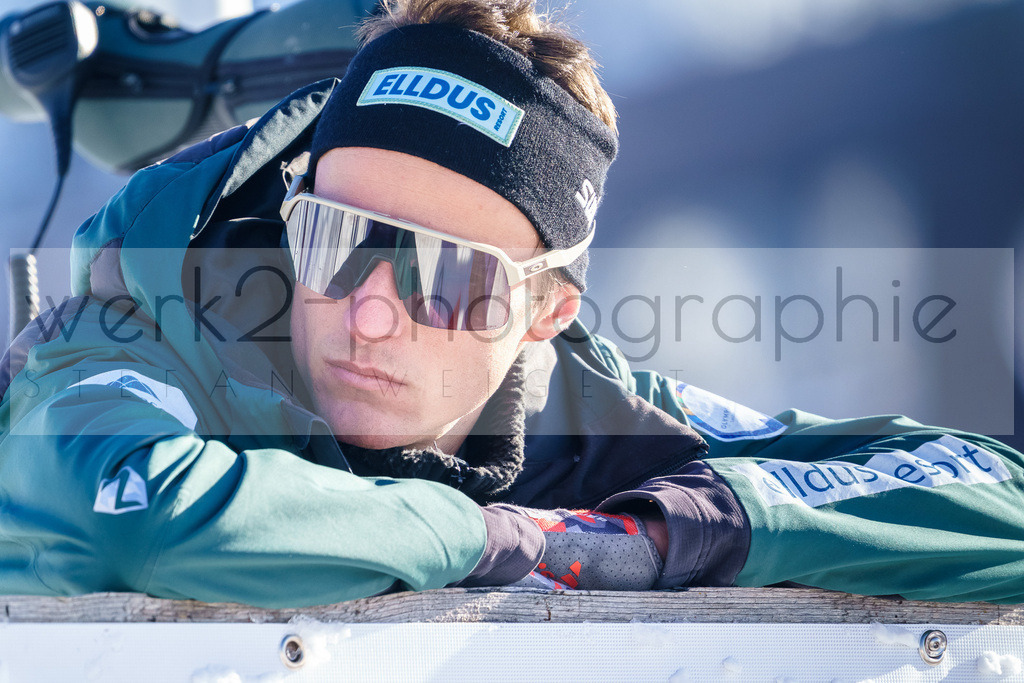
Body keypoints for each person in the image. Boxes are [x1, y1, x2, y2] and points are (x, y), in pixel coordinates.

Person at [1, 0, 1022, 607]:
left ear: (546, 313)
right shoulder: (125, 336)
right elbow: (141, 518)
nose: (369, 313)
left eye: (449, 278)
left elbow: (1001, 496)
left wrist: (681, 529)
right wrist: (507, 539)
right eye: (335, 240)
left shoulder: (585, 409)